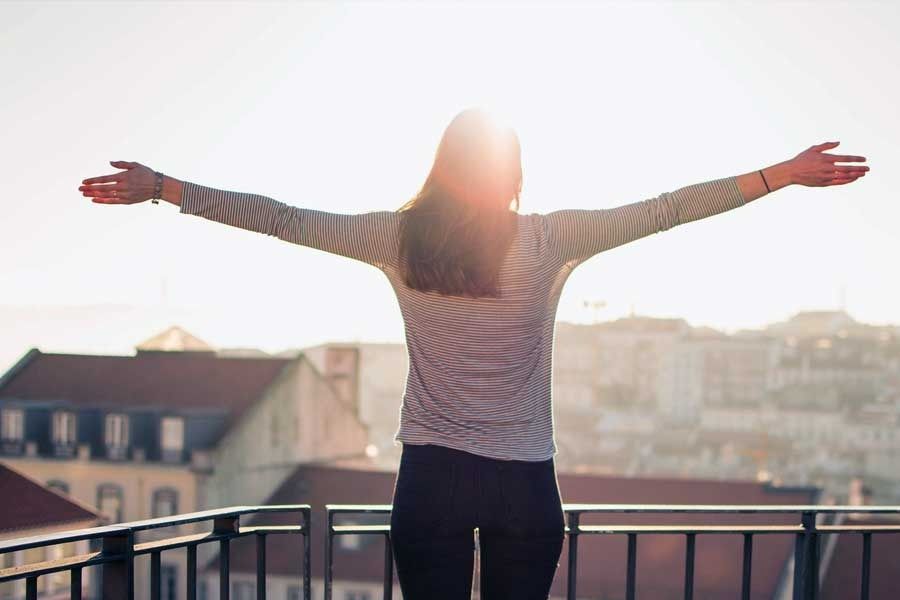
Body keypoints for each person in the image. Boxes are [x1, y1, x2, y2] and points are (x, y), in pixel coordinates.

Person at [79, 108, 868, 599]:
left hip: (432, 482)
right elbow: (664, 211)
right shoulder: (551, 238)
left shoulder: (396, 237)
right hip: (525, 486)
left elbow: (282, 218)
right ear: (515, 173)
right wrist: (779, 176)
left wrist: (166, 187)